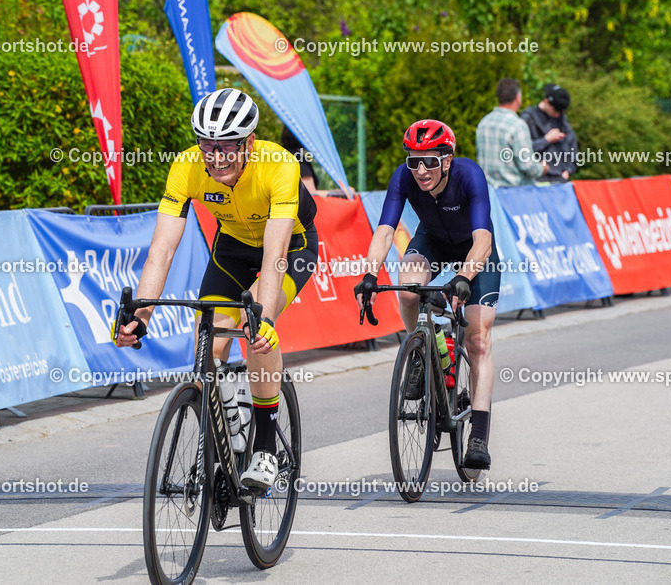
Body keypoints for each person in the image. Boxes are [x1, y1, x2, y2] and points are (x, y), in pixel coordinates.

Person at [114, 88, 318, 490]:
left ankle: (263, 446)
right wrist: (140, 317)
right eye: (208, 145)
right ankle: (227, 417)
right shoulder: (187, 167)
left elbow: (275, 254)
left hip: (290, 247)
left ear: (250, 143)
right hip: (234, 248)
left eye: (227, 146)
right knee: (207, 344)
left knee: (252, 328)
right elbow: (161, 250)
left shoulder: (278, 165)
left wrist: (266, 318)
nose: (217, 156)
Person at [354, 119, 500, 470]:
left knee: (478, 338)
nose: (421, 170)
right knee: (407, 290)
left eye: (430, 161)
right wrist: (370, 274)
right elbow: (385, 231)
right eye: (413, 161)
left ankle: (478, 435)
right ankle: (420, 349)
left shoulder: (469, 176)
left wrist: (465, 276)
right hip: (432, 241)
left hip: (473, 250)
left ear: (447, 160)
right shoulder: (403, 178)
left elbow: (483, 240)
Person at [476, 78, 547, 188]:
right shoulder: (517, 126)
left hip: (490, 193)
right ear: (518, 97)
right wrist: (541, 169)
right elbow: (527, 165)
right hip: (514, 194)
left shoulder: (483, 123)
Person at [521, 83, 578, 183]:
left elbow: (572, 144)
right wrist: (546, 140)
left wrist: (568, 170)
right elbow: (522, 150)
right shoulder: (528, 118)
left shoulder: (561, 119)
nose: (557, 115)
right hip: (538, 179)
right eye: (556, 111)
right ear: (546, 101)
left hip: (560, 178)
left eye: (561, 112)